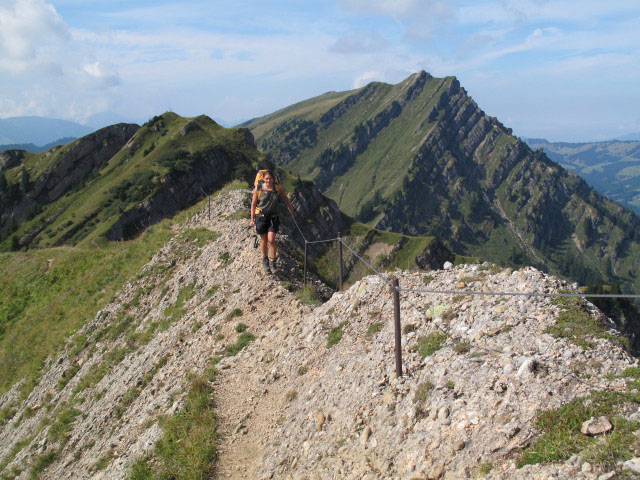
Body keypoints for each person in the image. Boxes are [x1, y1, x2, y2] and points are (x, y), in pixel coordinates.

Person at [249, 170, 294, 274]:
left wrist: (290, 208)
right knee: (264, 240)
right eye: (266, 179)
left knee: (271, 240)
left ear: (273, 179)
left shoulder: (278, 188)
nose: (268, 180)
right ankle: (265, 261)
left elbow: (284, 198)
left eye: (270, 178)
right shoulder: (258, 188)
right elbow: (253, 204)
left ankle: (273, 262)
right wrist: (252, 219)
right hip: (261, 216)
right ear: (263, 179)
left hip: (273, 217)